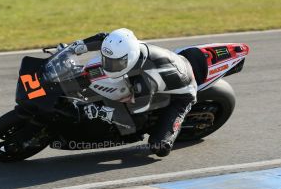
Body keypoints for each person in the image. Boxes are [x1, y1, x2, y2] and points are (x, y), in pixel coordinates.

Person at [58, 28, 197, 157]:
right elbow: (103, 38)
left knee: (160, 147)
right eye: (107, 60)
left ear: (129, 58)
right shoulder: (123, 48)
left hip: (181, 95)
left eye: (115, 63)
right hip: (160, 72)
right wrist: (72, 49)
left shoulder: (145, 80)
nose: (109, 66)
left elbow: (137, 113)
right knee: (86, 76)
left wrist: (99, 109)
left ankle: (168, 127)